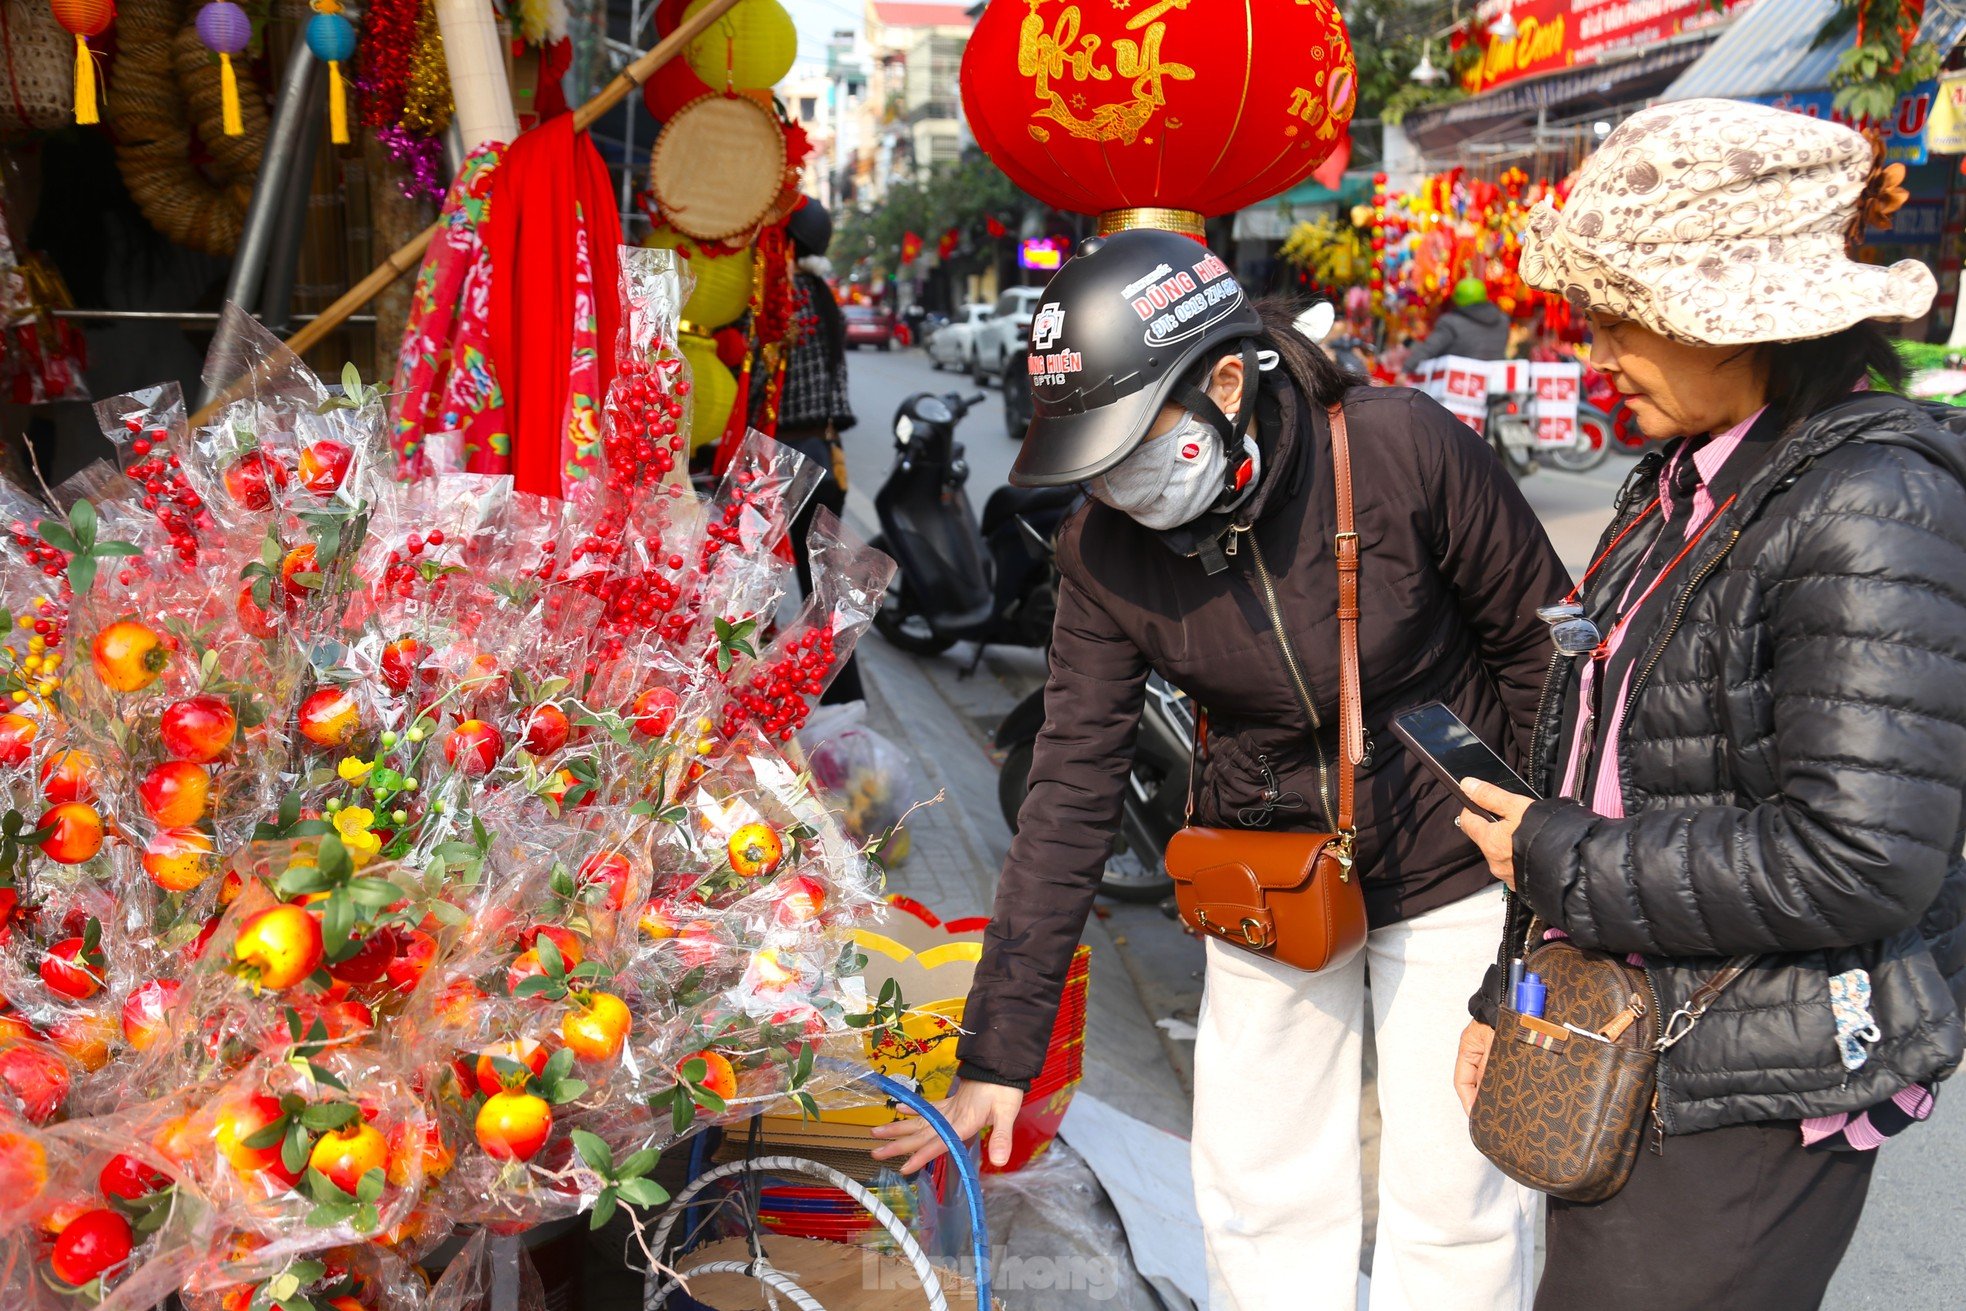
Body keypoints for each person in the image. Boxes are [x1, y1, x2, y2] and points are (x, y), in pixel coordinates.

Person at [870, 227, 1571, 1310]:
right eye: (1088, 462)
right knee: (1258, 1182)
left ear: (1228, 382)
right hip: (1266, 865)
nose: (1111, 487)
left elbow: (1543, 659)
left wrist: (1555, 869)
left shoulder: (1397, 452)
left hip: (1456, 860)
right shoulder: (1101, 552)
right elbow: (1070, 789)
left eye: (1126, 447)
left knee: (1458, 1192)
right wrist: (998, 1053)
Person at [1452, 98, 1966, 1311]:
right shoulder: (1684, 480)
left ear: (1739, 320)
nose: (1598, 349)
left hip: (1746, 1081)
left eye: (1623, 317)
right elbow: (1588, 765)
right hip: (1634, 1030)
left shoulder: (1869, 504)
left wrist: (1561, 863)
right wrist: (1508, 997)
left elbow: (1856, 859)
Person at [774, 197, 862, 703]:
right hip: (829, 452)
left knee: (759, 582)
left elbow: (766, 378)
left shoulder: (790, 297)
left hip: (792, 452)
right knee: (826, 590)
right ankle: (845, 701)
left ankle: (830, 700)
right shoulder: (822, 295)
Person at [1407, 277, 1511, 366]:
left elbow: (1429, 349)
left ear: (1457, 299)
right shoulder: (1503, 320)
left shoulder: (1450, 322)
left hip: (1460, 381)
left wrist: (1406, 370)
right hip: (1495, 382)